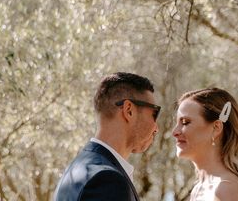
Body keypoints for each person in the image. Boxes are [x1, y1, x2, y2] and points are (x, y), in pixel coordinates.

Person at [54, 72, 160, 201]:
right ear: (129, 110)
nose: (156, 128)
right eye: (154, 114)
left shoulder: (75, 169)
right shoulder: (108, 180)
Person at [172, 88, 238, 201]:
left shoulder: (227, 189)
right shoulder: (198, 189)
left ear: (216, 128)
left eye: (185, 122)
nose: (175, 132)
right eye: (177, 123)